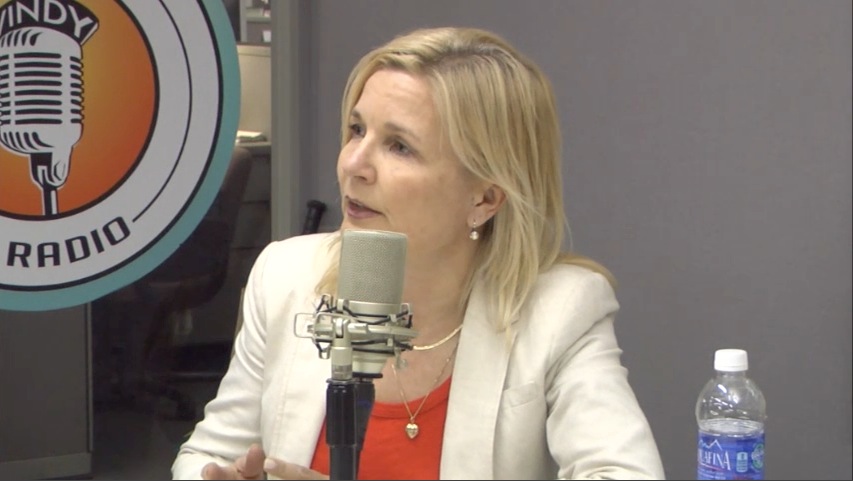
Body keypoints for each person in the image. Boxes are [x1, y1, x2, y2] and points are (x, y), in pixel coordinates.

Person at [172, 26, 665, 480]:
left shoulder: (560, 311)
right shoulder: (285, 276)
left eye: (400, 147)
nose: (354, 164)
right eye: (357, 130)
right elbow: (205, 455)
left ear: (484, 199)